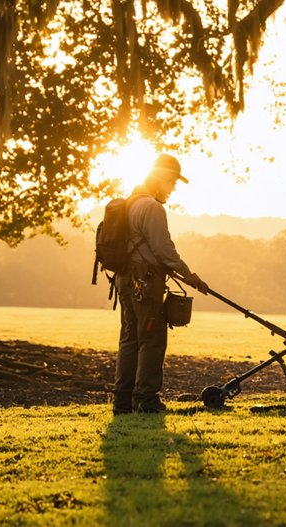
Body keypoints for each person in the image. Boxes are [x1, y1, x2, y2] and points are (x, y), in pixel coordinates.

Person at [113, 153, 209, 414]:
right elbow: (164, 250)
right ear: (161, 179)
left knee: (130, 339)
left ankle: (122, 401)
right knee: (152, 340)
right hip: (145, 282)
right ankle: (146, 399)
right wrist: (190, 276)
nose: (173, 189)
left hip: (124, 280)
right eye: (172, 182)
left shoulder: (129, 204)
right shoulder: (152, 208)